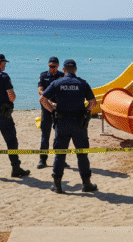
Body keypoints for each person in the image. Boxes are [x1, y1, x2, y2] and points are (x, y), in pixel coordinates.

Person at [40, 59, 98, 194]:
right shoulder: (82, 83)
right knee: (82, 154)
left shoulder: (57, 83)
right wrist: (87, 112)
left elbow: (42, 99)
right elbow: (93, 102)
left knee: (60, 154)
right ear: (75, 70)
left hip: (62, 123)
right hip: (79, 123)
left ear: (64, 70)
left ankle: (57, 185)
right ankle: (86, 184)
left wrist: (53, 111)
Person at [36, 56, 64, 169]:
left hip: (59, 109)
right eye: (50, 66)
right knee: (45, 135)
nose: (51, 68)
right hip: (46, 108)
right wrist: (49, 101)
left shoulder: (62, 75)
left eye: (54, 66)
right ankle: (42, 160)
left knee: (60, 136)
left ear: (57, 66)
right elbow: (40, 91)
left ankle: (60, 159)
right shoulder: (43, 75)